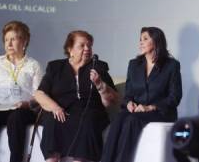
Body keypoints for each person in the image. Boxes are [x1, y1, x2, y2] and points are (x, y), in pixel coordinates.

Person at [34, 30, 118, 162]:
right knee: (52, 120)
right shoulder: (55, 67)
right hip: (62, 110)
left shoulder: (99, 67)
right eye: (82, 45)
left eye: (89, 46)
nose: (87, 49)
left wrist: (100, 85)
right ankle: (52, 159)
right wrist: (55, 107)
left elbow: (111, 100)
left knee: (87, 121)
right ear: (70, 49)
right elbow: (39, 94)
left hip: (90, 111)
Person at [101, 27, 182, 162]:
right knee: (120, 118)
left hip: (161, 112)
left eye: (145, 39)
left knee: (132, 121)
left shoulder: (171, 65)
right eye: (140, 39)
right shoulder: (134, 65)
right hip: (137, 111)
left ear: (156, 41)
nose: (141, 42)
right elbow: (128, 95)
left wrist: (150, 107)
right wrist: (129, 104)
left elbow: (175, 97)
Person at [0, 21, 42, 162]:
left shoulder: (33, 65)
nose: (9, 44)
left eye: (13, 39)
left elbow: (39, 94)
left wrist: (27, 103)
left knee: (16, 118)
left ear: (24, 41)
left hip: (22, 110)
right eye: (6, 40)